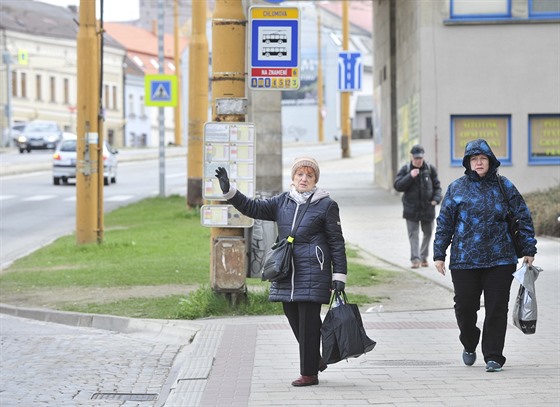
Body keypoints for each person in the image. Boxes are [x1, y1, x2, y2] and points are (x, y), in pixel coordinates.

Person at [214, 157, 347, 387]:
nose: (304, 179)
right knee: (294, 318)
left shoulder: (326, 205)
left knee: (308, 322)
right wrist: (230, 191)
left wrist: (339, 275)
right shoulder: (282, 202)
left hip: (314, 270)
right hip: (286, 272)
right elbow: (252, 208)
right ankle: (314, 359)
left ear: (315, 180)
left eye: (309, 175)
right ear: (293, 178)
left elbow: (336, 242)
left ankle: (309, 374)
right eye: (300, 174)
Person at [433, 138, 537, 373]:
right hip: (464, 260)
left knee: (497, 308)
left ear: (490, 161)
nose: (478, 163)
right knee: (465, 308)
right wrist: (439, 253)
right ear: (468, 163)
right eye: (474, 159)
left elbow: (523, 216)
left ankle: (493, 355)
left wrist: (529, 249)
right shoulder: (456, 188)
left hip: (501, 258)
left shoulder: (504, 186)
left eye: (482, 159)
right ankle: (469, 342)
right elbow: (444, 223)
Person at [394, 144, 442, 268]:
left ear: (423, 157)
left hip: (428, 208)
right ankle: (415, 260)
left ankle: (423, 256)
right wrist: (410, 176)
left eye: (420, 158)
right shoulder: (405, 169)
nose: (418, 161)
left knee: (428, 233)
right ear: (411, 157)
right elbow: (398, 186)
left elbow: (437, 187)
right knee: (413, 235)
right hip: (411, 209)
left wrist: (436, 200)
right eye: (416, 158)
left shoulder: (430, 169)